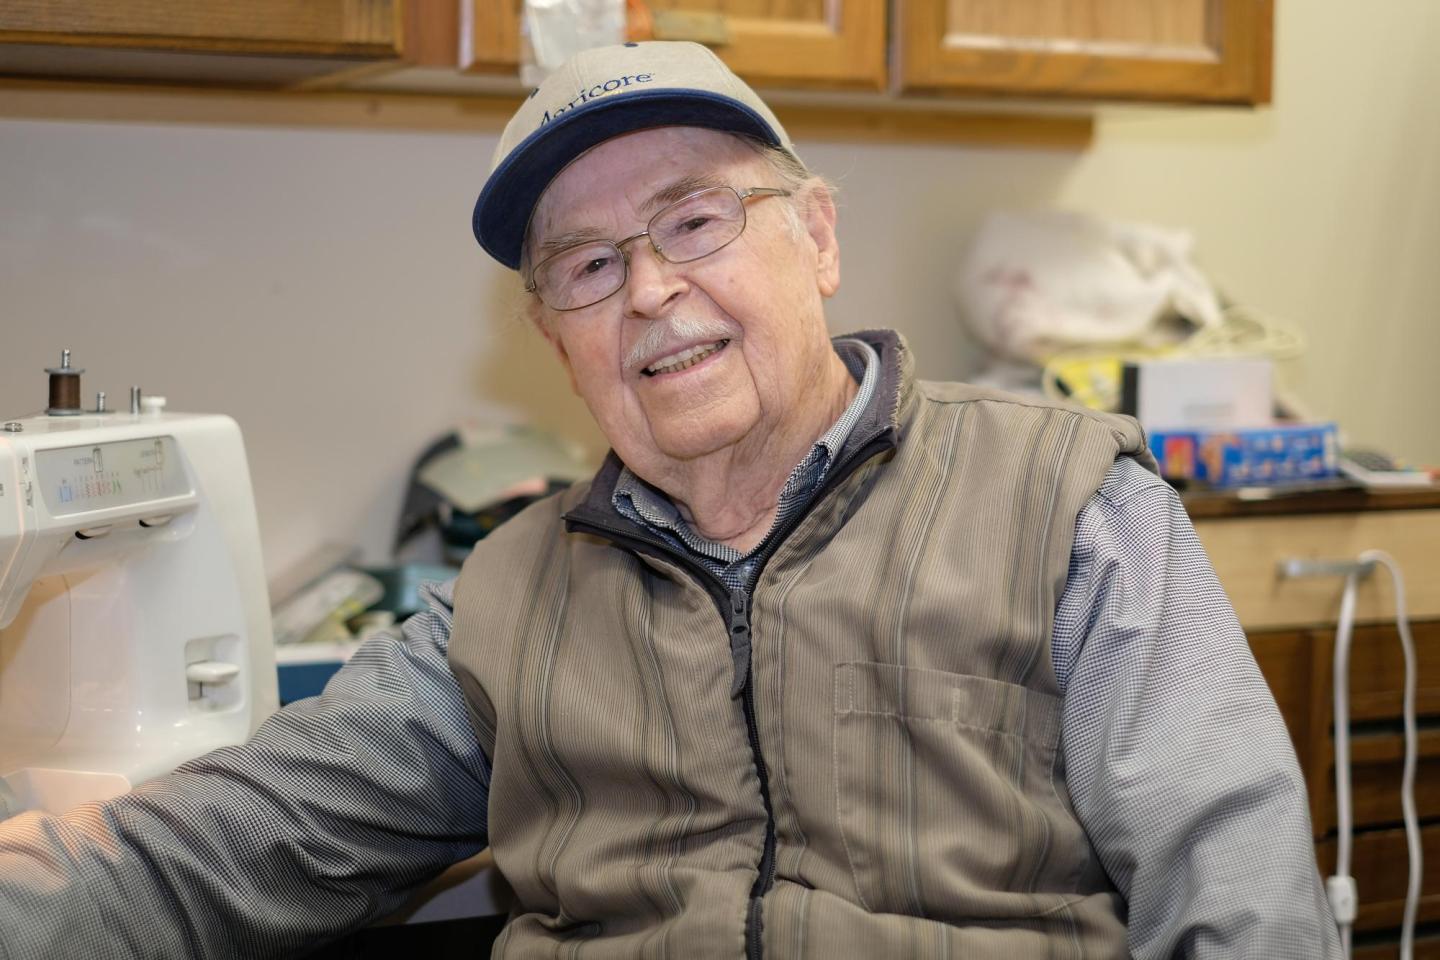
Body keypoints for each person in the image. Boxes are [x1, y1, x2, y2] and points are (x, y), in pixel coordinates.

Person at [0, 40, 1337, 960]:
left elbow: (1242, 900)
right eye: (586, 265)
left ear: (814, 236)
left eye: (694, 222)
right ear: (551, 332)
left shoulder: (1065, 508)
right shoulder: (508, 601)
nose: (647, 292)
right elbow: (234, 843)